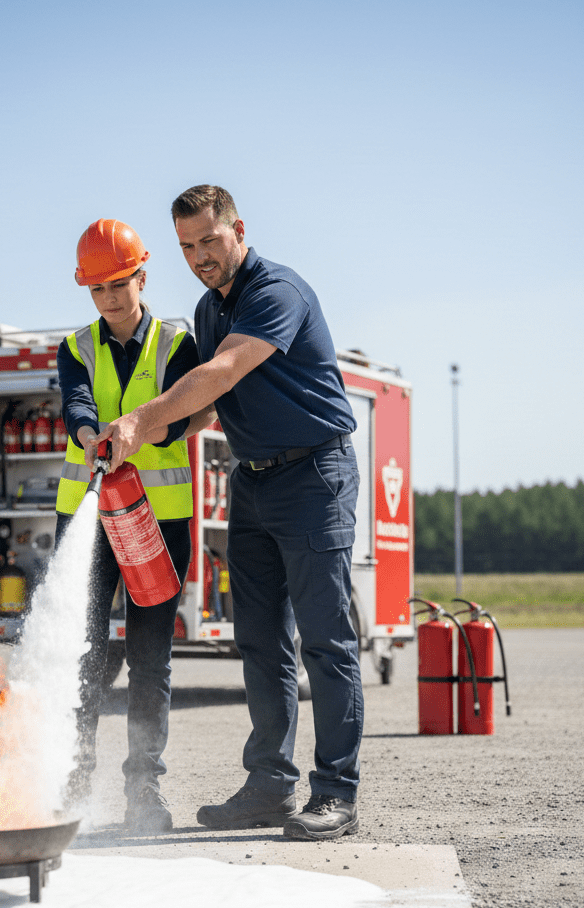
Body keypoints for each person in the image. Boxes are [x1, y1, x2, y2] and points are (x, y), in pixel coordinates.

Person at [96, 187, 363, 840]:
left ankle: (336, 793)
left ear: (238, 229)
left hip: (313, 474)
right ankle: (271, 785)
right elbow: (213, 407)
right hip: (253, 481)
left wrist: (140, 417)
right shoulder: (207, 309)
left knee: (326, 642)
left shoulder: (276, 292)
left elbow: (221, 372)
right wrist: (152, 436)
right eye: (186, 247)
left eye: (208, 241)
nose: (199, 257)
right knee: (261, 640)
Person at [56, 219, 209, 834]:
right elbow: (76, 404)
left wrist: (137, 431)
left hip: (160, 524)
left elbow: (183, 412)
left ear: (142, 277)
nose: (111, 298)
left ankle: (144, 790)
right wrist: (92, 434)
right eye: (98, 289)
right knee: (84, 655)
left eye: (120, 283)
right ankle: (73, 785)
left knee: (150, 659)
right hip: (89, 522)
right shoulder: (77, 347)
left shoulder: (178, 343)